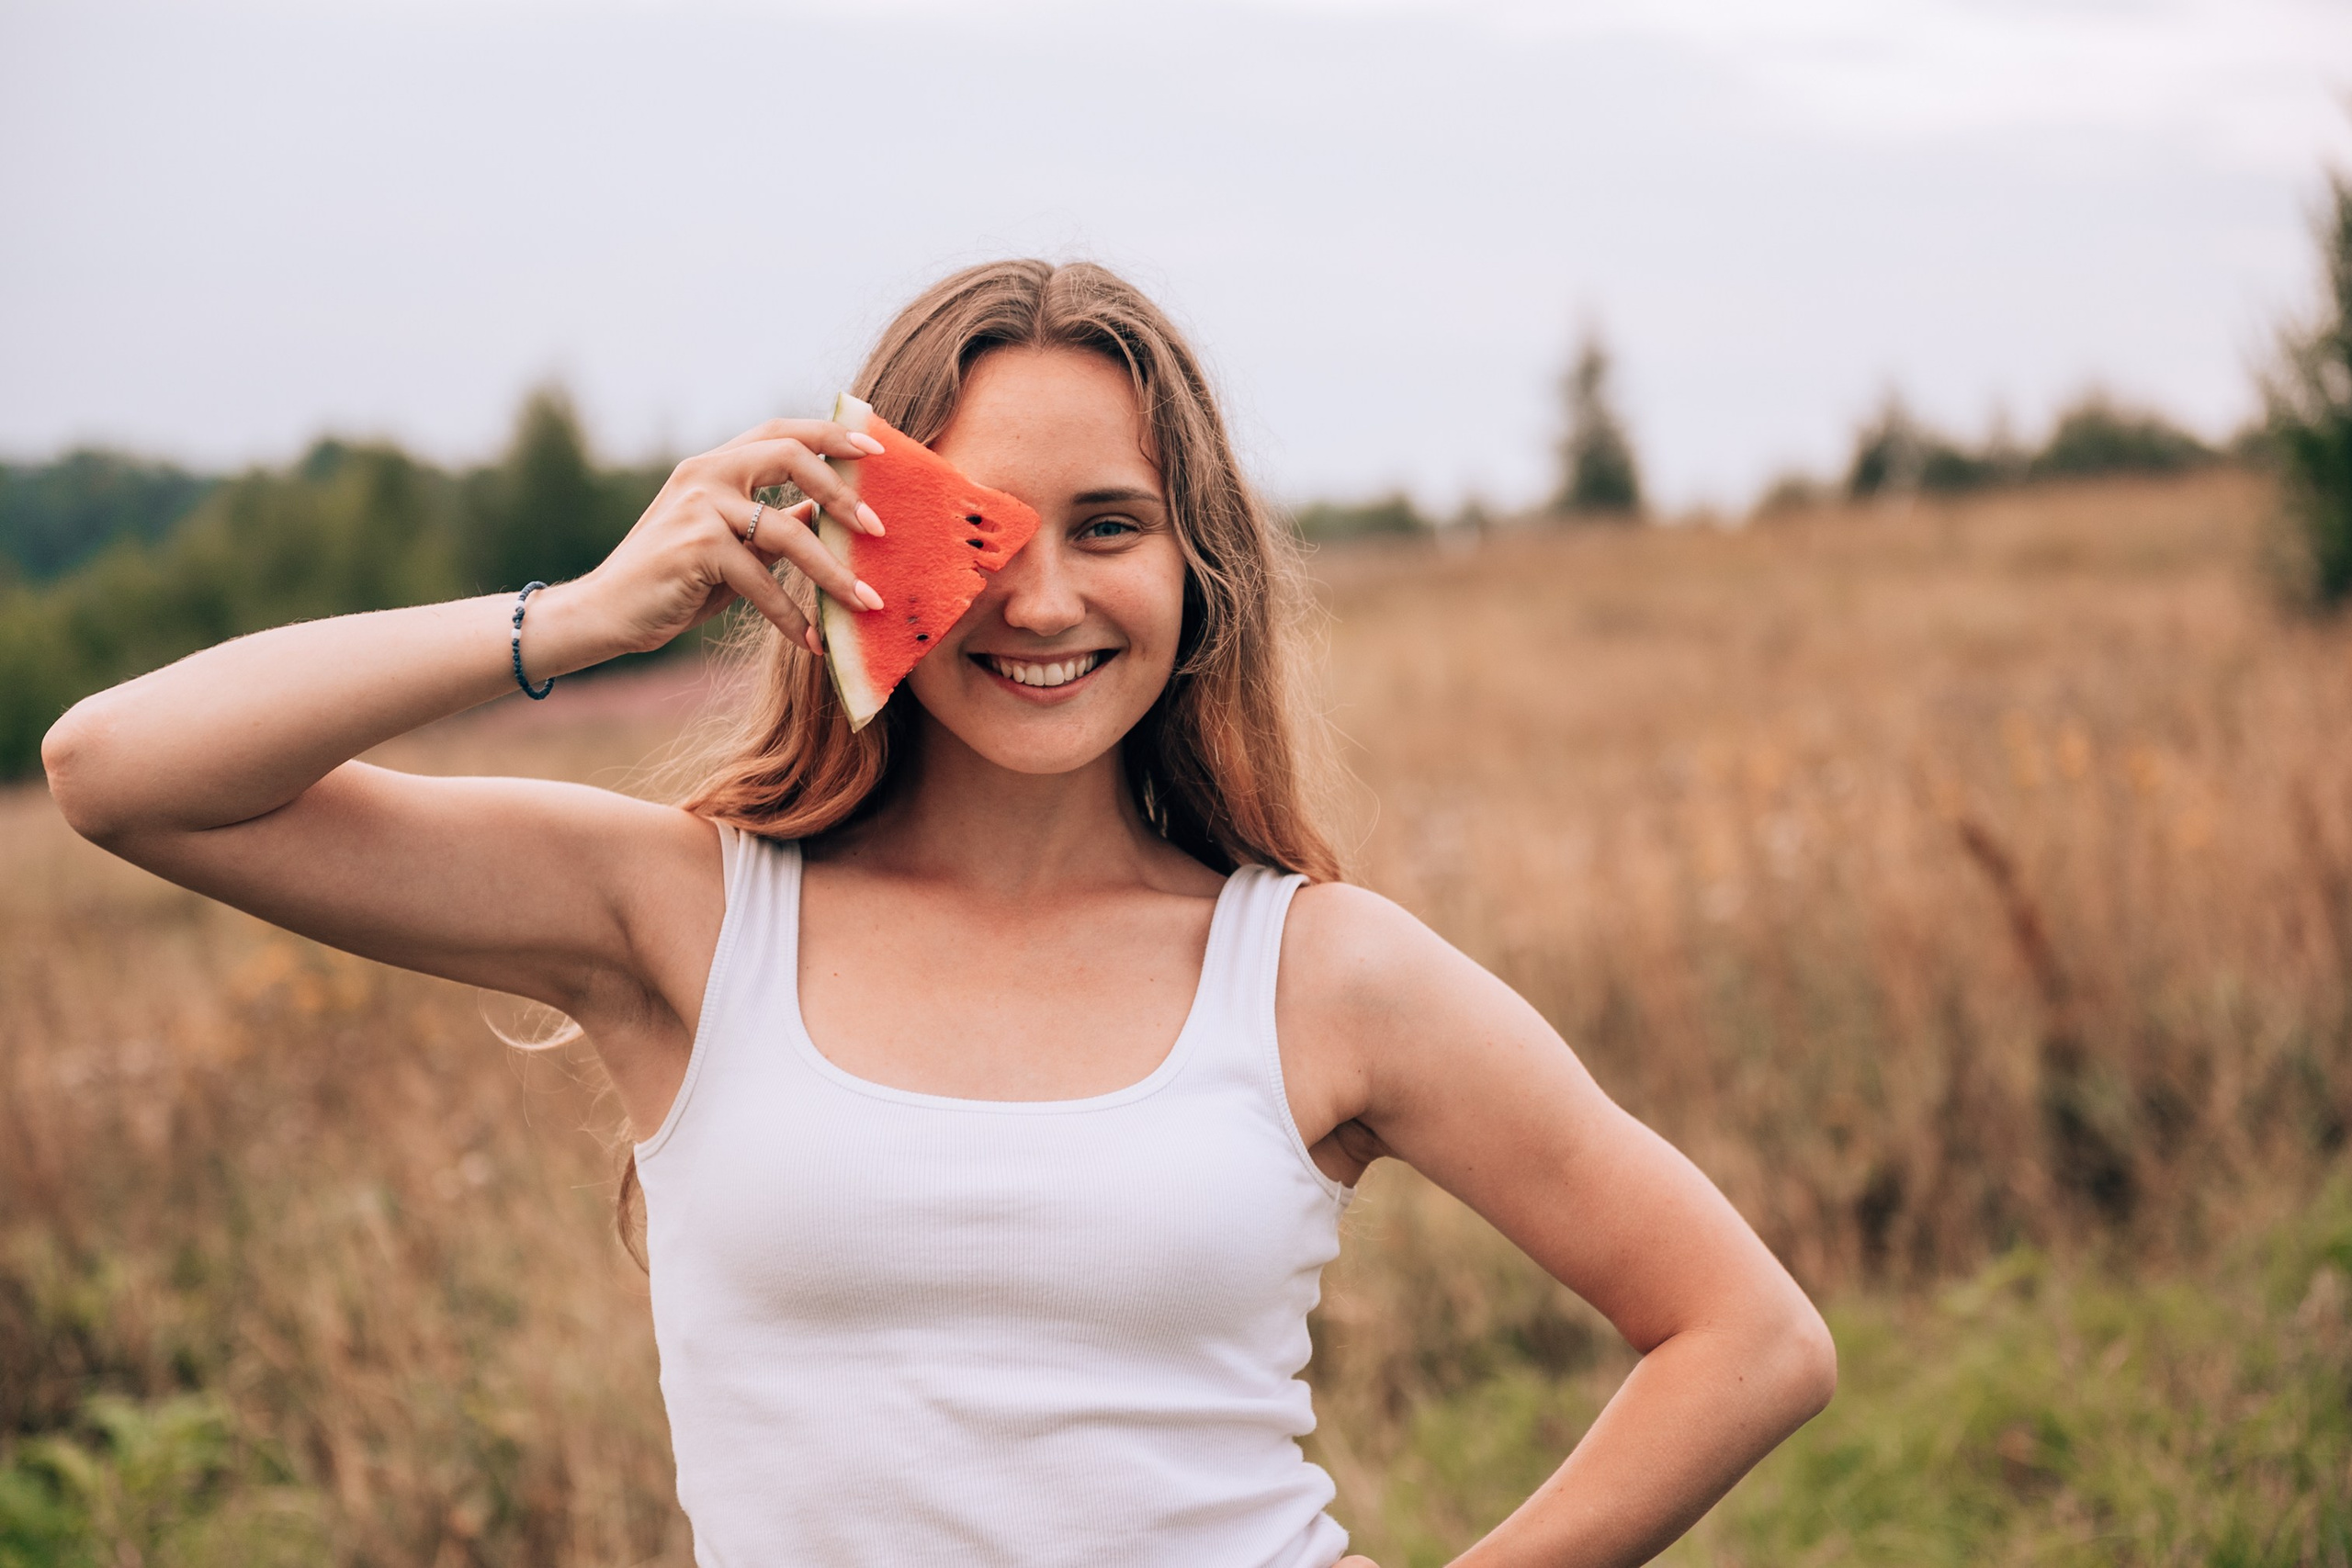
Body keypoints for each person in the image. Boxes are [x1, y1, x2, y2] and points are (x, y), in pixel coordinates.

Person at [41, 259, 1834, 1568]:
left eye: (1110, 524)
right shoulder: (677, 918)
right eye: (969, 529)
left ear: (1196, 574)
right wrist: (578, 617)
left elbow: (1743, 1337)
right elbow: (118, 768)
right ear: (847, 541)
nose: (1038, 596)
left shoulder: (1316, 970)